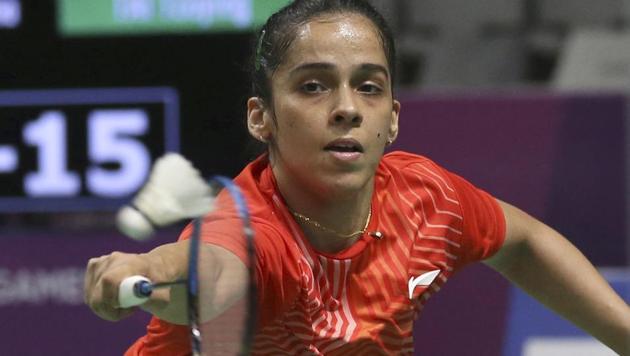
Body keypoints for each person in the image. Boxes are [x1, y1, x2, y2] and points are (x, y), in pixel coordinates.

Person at [84, 0, 630, 354]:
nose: (347, 108)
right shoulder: (256, 234)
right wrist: (145, 270)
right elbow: (206, 274)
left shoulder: (427, 201)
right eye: (314, 86)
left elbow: (524, 243)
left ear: (392, 116)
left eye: (369, 87)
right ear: (261, 117)